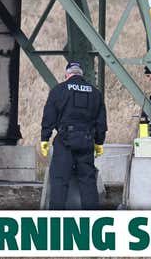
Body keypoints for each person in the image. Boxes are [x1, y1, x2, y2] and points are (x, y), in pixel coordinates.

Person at [40, 62, 107, 210]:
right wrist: (99, 142)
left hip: (65, 141)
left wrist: (45, 137)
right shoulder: (95, 93)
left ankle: (56, 219)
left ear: (67, 75)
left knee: (59, 180)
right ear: (81, 75)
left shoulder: (59, 90)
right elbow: (101, 121)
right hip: (87, 141)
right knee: (88, 180)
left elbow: (49, 116)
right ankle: (92, 218)